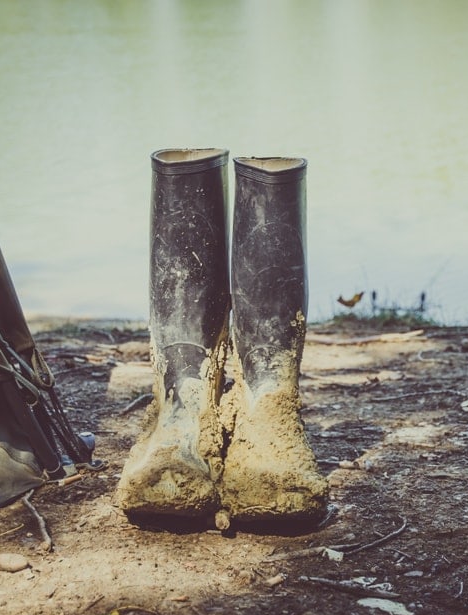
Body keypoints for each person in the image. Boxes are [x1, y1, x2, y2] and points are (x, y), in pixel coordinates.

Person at [114, 149, 328, 529]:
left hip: (269, 405)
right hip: (183, 395)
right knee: (183, 181)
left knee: (272, 186)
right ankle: (185, 409)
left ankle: (266, 407)